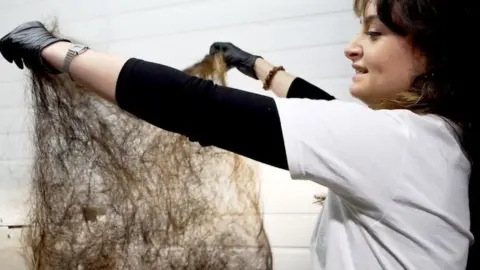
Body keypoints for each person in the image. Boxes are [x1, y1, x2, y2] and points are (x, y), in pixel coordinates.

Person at [0, 0, 477, 269]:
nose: (352, 48)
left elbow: (198, 106)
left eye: (373, 33)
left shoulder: (400, 142)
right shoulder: (433, 140)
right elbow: (322, 110)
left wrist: (60, 50)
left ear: (433, 54)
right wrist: (254, 65)